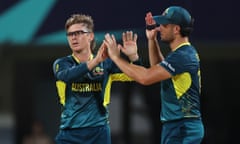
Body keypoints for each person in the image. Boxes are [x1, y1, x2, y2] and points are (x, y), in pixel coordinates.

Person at [104, 6, 204, 144]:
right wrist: (152, 40)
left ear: (176, 29)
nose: (159, 28)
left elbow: (146, 78)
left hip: (183, 126)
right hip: (178, 125)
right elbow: (157, 69)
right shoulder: (181, 54)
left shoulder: (183, 56)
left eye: (164, 25)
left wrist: (116, 57)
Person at [52, 14, 140, 144]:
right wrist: (96, 60)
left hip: (98, 133)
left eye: (78, 33)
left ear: (91, 36)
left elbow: (137, 75)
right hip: (70, 134)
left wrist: (134, 56)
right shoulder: (62, 63)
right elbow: (67, 76)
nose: (73, 38)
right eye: (70, 34)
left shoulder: (107, 65)